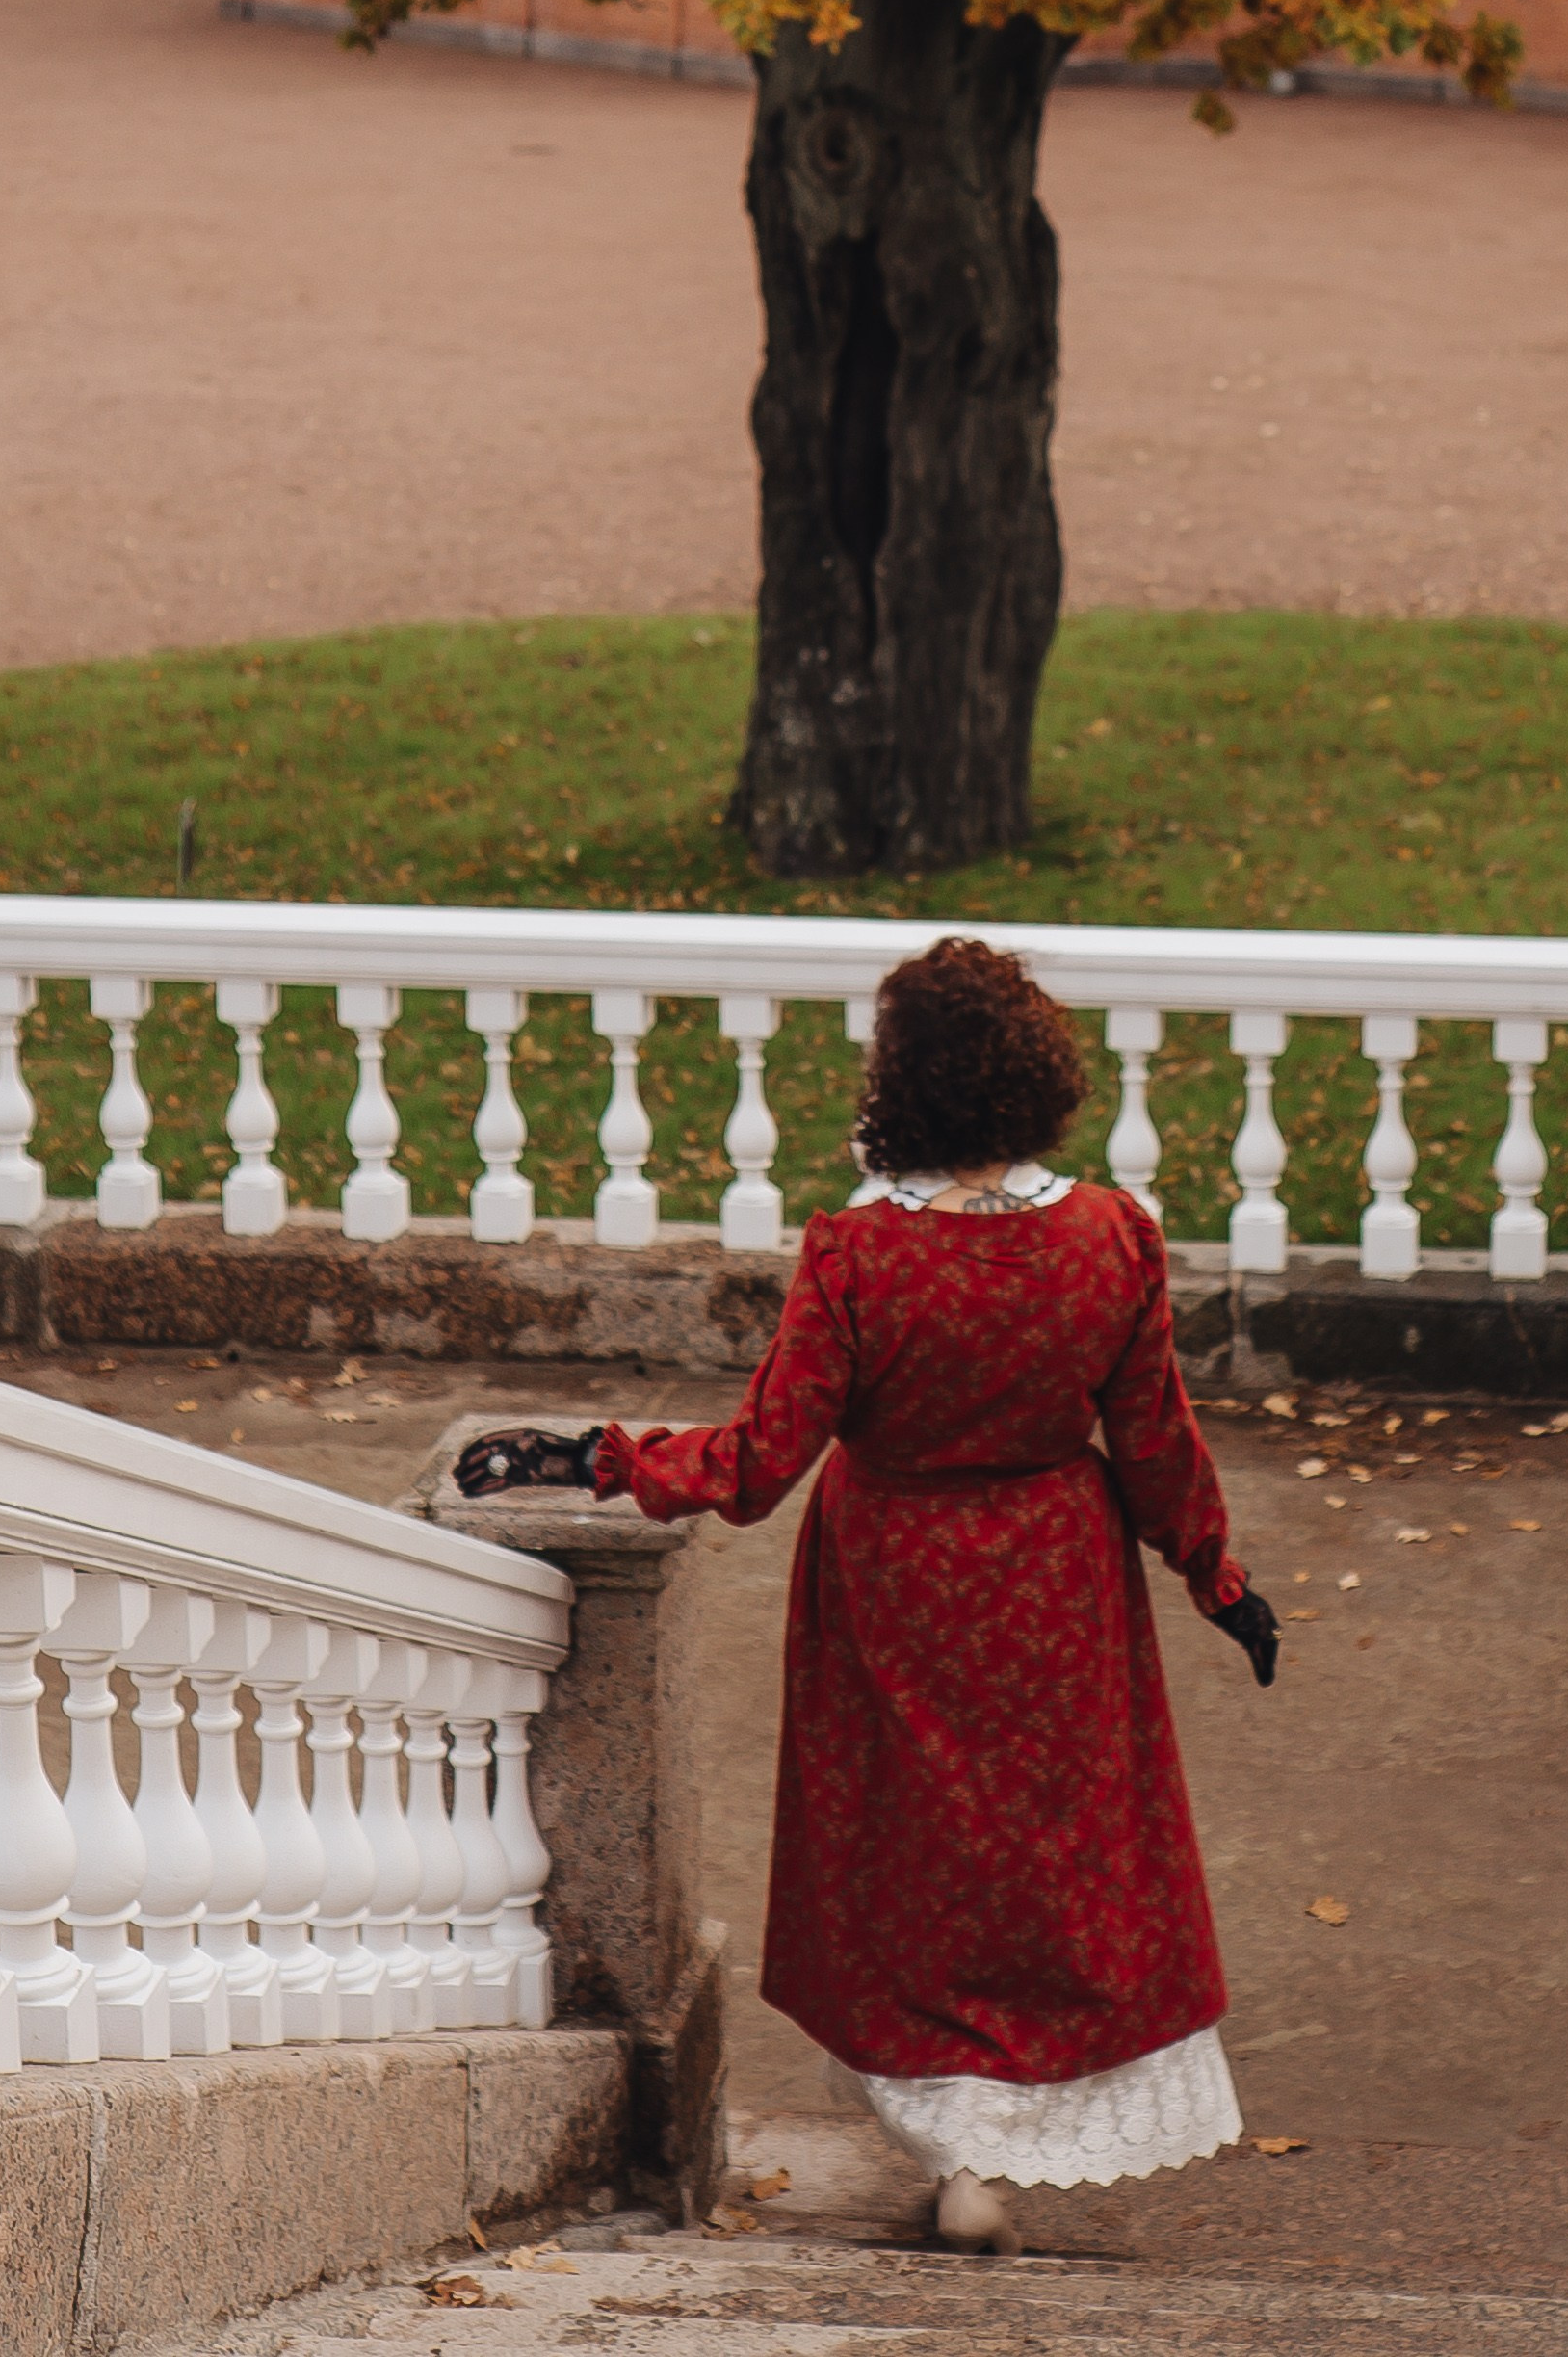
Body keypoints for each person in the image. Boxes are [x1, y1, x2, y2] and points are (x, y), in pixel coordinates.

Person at [457, 934, 1279, 2252]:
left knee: (919, 1865)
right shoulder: (1111, 1238)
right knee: (1044, 1858)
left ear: (905, 1085)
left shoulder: (858, 1256)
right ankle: (998, 2141)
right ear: (1036, 1075)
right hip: (1060, 1580)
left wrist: (598, 1460)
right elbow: (1159, 1444)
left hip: (898, 1582)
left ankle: (963, 2160)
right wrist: (1217, 1580)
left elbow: (758, 1459)